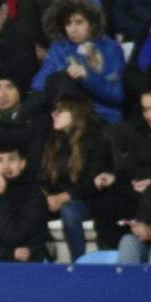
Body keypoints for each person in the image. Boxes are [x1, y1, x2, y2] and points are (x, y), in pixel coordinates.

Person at [41, 93, 125, 260]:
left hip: (90, 199)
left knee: (70, 210)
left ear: (76, 113)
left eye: (60, 111)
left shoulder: (96, 139)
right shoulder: (54, 141)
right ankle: (41, 259)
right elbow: (43, 176)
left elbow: (94, 182)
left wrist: (65, 197)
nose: (53, 114)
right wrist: (46, 197)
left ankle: (78, 262)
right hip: (57, 199)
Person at [33, 0, 124, 123]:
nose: (73, 30)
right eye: (68, 23)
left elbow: (117, 94)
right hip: (66, 117)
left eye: (79, 22)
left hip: (103, 118)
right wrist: (66, 74)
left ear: (92, 23)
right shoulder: (59, 47)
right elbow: (38, 84)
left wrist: (88, 77)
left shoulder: (111, 48)